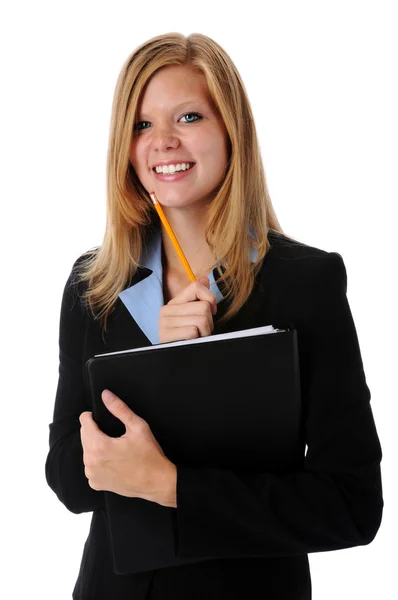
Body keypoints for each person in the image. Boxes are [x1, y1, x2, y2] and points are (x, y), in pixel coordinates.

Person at [45, 32, 383, 600]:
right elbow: (68, 483)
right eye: (142, 125)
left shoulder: (305, 283)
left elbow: (351, 505)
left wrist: (172, 485)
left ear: (231, 130)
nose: (163, 142)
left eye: (189, 116)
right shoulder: (94, 285)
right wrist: (157, 369)